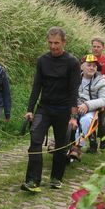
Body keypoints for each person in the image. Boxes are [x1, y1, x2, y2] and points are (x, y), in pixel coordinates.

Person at [21, 27, 81, 192]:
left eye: (56, 43)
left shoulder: (72, 62)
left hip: (63, 110)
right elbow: (36, 87)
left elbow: (74, 91)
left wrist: (73, 116)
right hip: (44, 108)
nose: (53, 46)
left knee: (61, 146)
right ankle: (33, 181)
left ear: (64, 42)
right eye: (50, 43)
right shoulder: (42, 60)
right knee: (35, 142)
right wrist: (30, 109)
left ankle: (56, 177)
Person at [69, 54, 105, 160]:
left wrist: (88, 105)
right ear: (82, 66)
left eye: (94, 66)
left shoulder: (101, 81)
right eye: (89, 65)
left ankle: (77, 147)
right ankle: (59, 142)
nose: (92, 68)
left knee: (86, 120)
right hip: (73, 107)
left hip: (90, 110)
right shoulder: (74, 77)